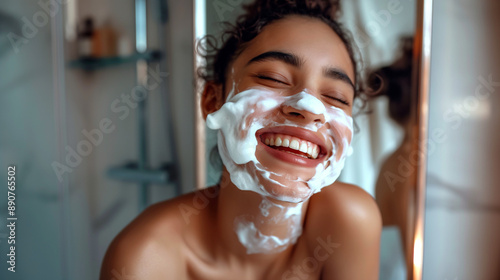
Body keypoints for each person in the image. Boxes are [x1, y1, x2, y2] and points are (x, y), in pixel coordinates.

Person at [100, 1, 381, 279]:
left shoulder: (349, 223)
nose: (309, 108)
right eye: (273, 78)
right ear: (212, 101)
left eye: (336, 97)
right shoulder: (144, 258)